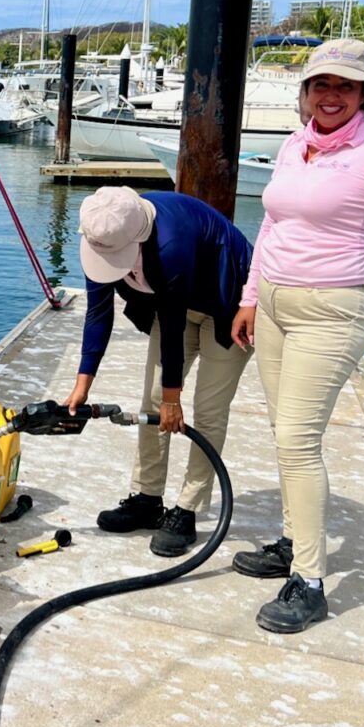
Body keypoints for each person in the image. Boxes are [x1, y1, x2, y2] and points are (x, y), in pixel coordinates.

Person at [229, 38, 364, 633]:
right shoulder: (294, 145)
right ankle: (292, 538)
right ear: (304, 93)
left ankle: (310, 581)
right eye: (321, 84)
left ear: (363, 96)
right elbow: (272, 224)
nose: (331, 96)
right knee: (284, 433)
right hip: (275, 305)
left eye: (345, 87)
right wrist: (251, 298)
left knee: (298, 440)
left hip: (333, 312)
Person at [66, 186, 254, 557]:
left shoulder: (170, 241)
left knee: (208, 409)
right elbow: (98, 313)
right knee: (151, 398)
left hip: (228, 303)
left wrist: (174, 400)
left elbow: (170, 322)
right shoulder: (103, 232)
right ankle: (147, 498)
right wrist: (81, 385)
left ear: (137, 239)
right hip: (179, 305)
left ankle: (187, 509)